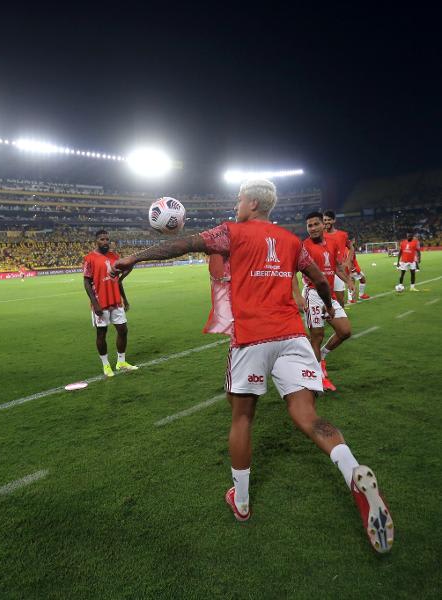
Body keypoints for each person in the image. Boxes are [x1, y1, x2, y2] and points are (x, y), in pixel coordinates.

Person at [112, 179, 393, 554]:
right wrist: (326, 306)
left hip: (252, 338)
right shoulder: (293, 242)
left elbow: (184, 243)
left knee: (242, 418)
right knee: (309, 417)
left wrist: (134, 257)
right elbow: (320, 279)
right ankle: (352, 469)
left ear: (254, 202)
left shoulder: (232, 232)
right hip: (293, 336)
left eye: (240, 198)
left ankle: (241, 501)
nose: (236, 203)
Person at [293, 212, 355, 392]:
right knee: (317, 337)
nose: (312, 228)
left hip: (329, 296)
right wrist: (297, 296)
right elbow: (291, 273)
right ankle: (318, 376)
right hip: (312, 294)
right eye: (309, 226)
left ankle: (323, 357)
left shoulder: (333, 243)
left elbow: (335, 266)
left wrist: (348, 280)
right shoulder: (303, 247)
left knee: (345, 331)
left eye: (315, 224)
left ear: (323, 225)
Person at [83, 230, 138, 377]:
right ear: (96, 241)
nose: (106, 242)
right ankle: (106, 365)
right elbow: (87, 282)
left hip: (115, 301)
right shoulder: (90, 258)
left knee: (123, 330)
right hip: (100, 302)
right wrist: (95, 304)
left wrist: (124, 299)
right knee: (102, 333)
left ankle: (121, 362)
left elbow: (118, 280)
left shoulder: (114, 257)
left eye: (107, 239)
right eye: (102, 239)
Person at [323, 210, 353, 307]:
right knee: (325, 297)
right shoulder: (320, 235)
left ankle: (341, 316)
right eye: (324, 220)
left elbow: (351, 247)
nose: (326, 222)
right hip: (324, 270)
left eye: (329, 220)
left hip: (338, 270)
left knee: (340, 298)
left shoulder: (342, 235)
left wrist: (348, 261)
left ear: (334, 220)